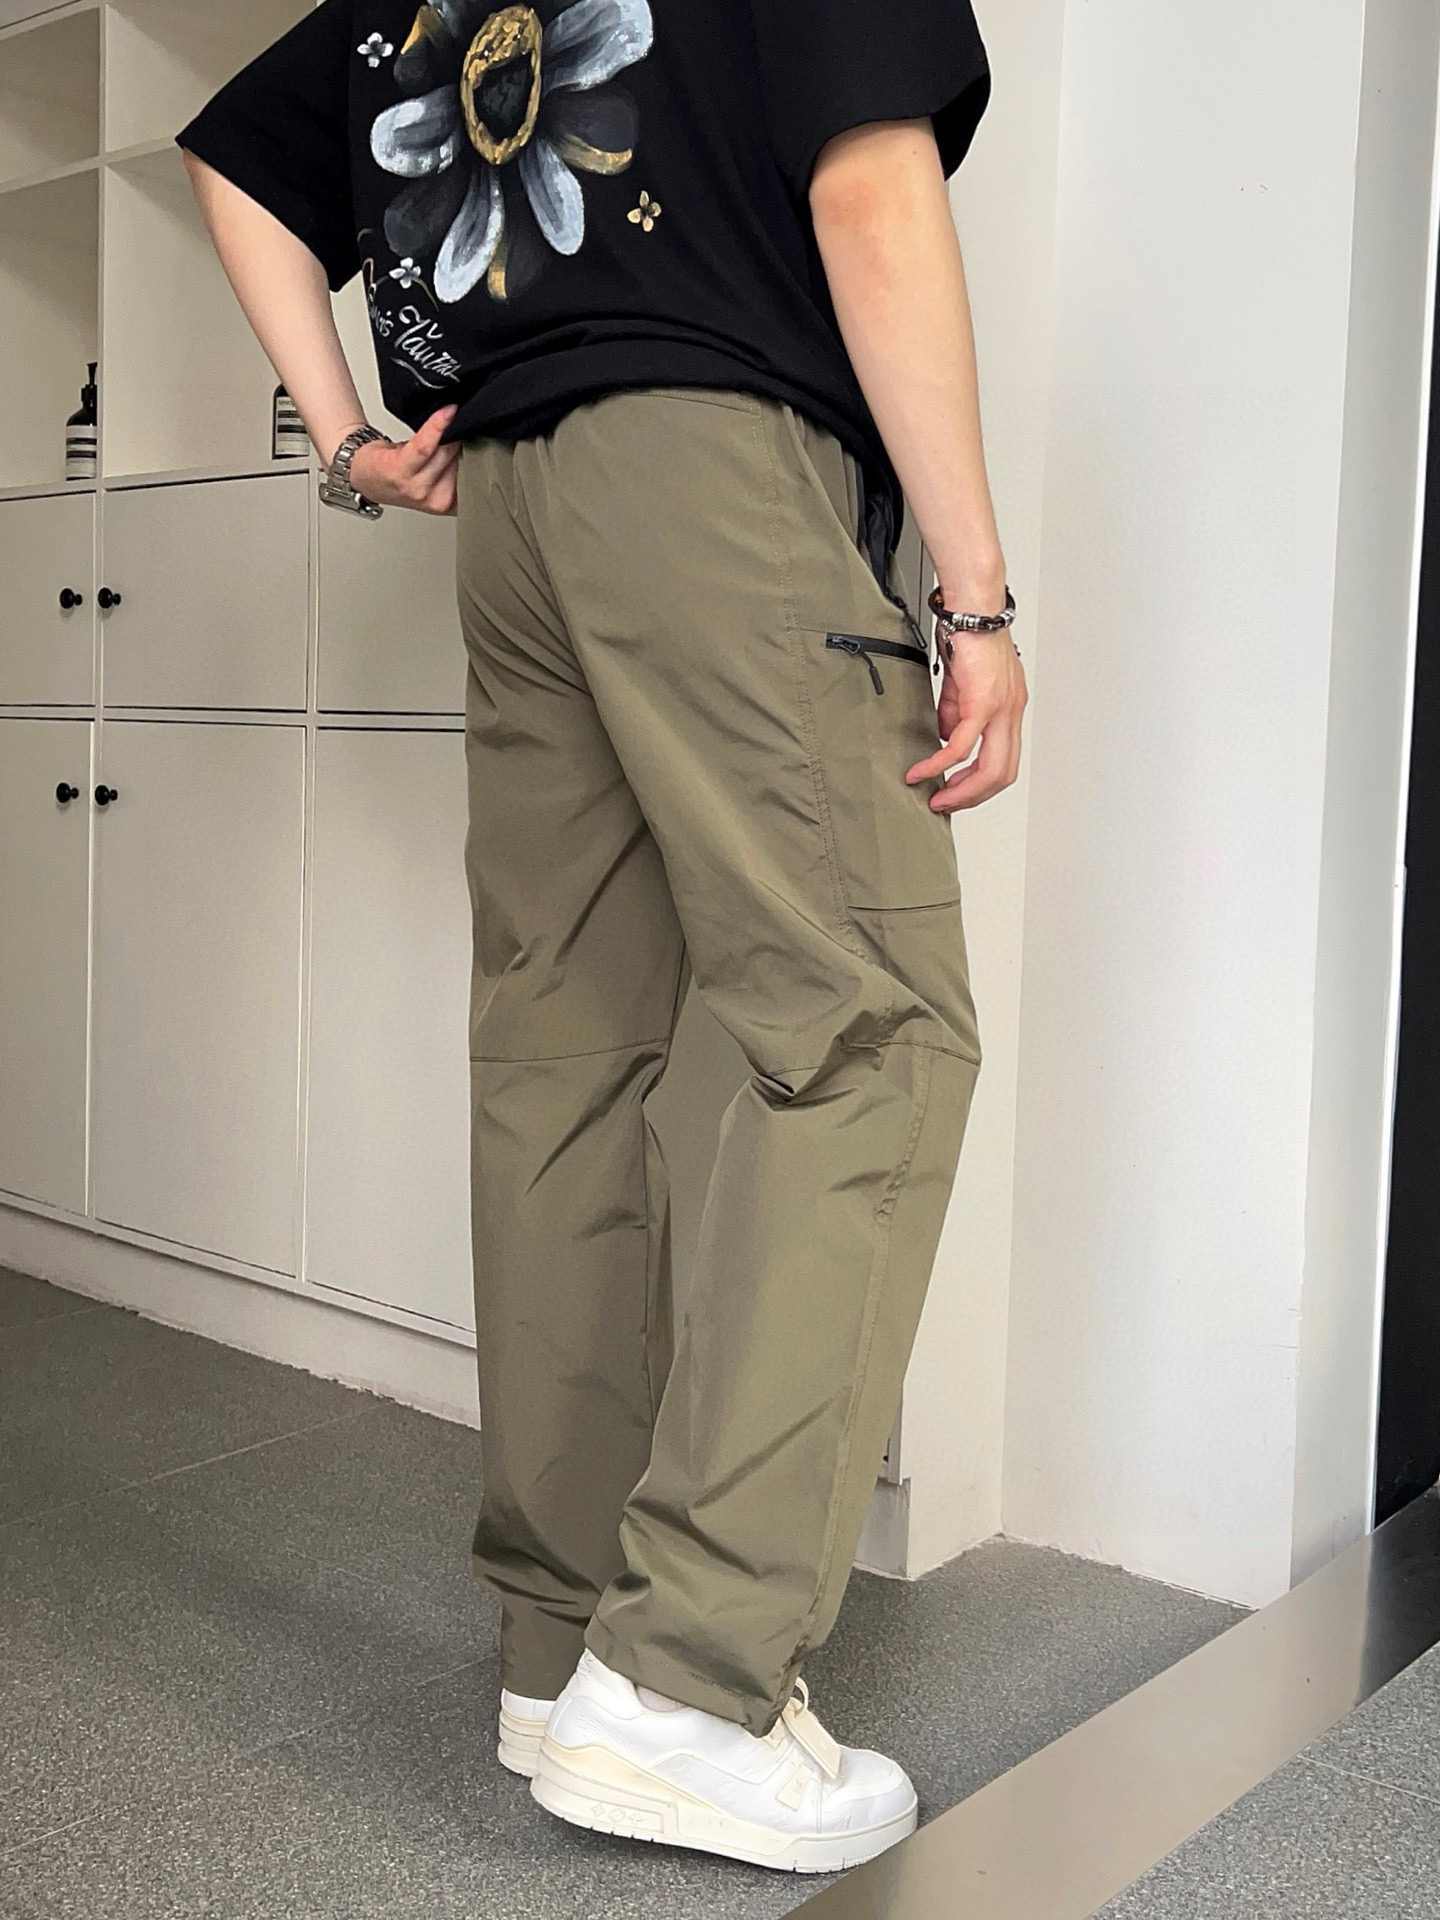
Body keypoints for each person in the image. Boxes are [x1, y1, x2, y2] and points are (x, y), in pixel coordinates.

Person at [178, 0, 1026, 1876]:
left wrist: (349, 437)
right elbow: (872, 192)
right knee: (874, 1035)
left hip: (513, 514)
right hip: (714, 476)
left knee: (558, 1060)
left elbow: (235, 160)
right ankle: (694, 1682)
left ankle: (561, 1652)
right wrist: (975, 601)